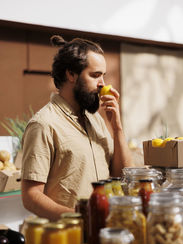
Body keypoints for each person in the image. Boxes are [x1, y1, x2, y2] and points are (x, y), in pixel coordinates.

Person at [21, 35, 134, 221]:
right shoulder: (43, 124)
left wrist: (117, 127)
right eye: (95, 75)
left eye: (103, 76)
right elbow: (31, 197)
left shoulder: (95, 119)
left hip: (104, 229)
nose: (102, 84)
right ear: (71, 74)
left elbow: (123, 176)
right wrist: (80, 218)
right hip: (69, 235)